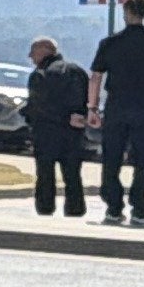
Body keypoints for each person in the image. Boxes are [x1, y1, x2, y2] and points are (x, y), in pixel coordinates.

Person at [95, 0, 144, 228]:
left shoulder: (109, 44)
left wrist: (91, 108)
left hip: (117, 106)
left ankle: (114, 208)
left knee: (112, 158)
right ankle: (139, 207)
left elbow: (96, 77)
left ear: (126, 12)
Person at [26, 35, 93, 219]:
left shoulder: (40, 75)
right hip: (73, 131)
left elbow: (37, 106)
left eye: (33, 52)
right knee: (72, 173)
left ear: (44, 50)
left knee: (45, 172)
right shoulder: (77, 71)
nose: (31, 57)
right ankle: (75, 208)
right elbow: (87, 100)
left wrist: (28, 118)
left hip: (46, 131)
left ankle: (45, 208)